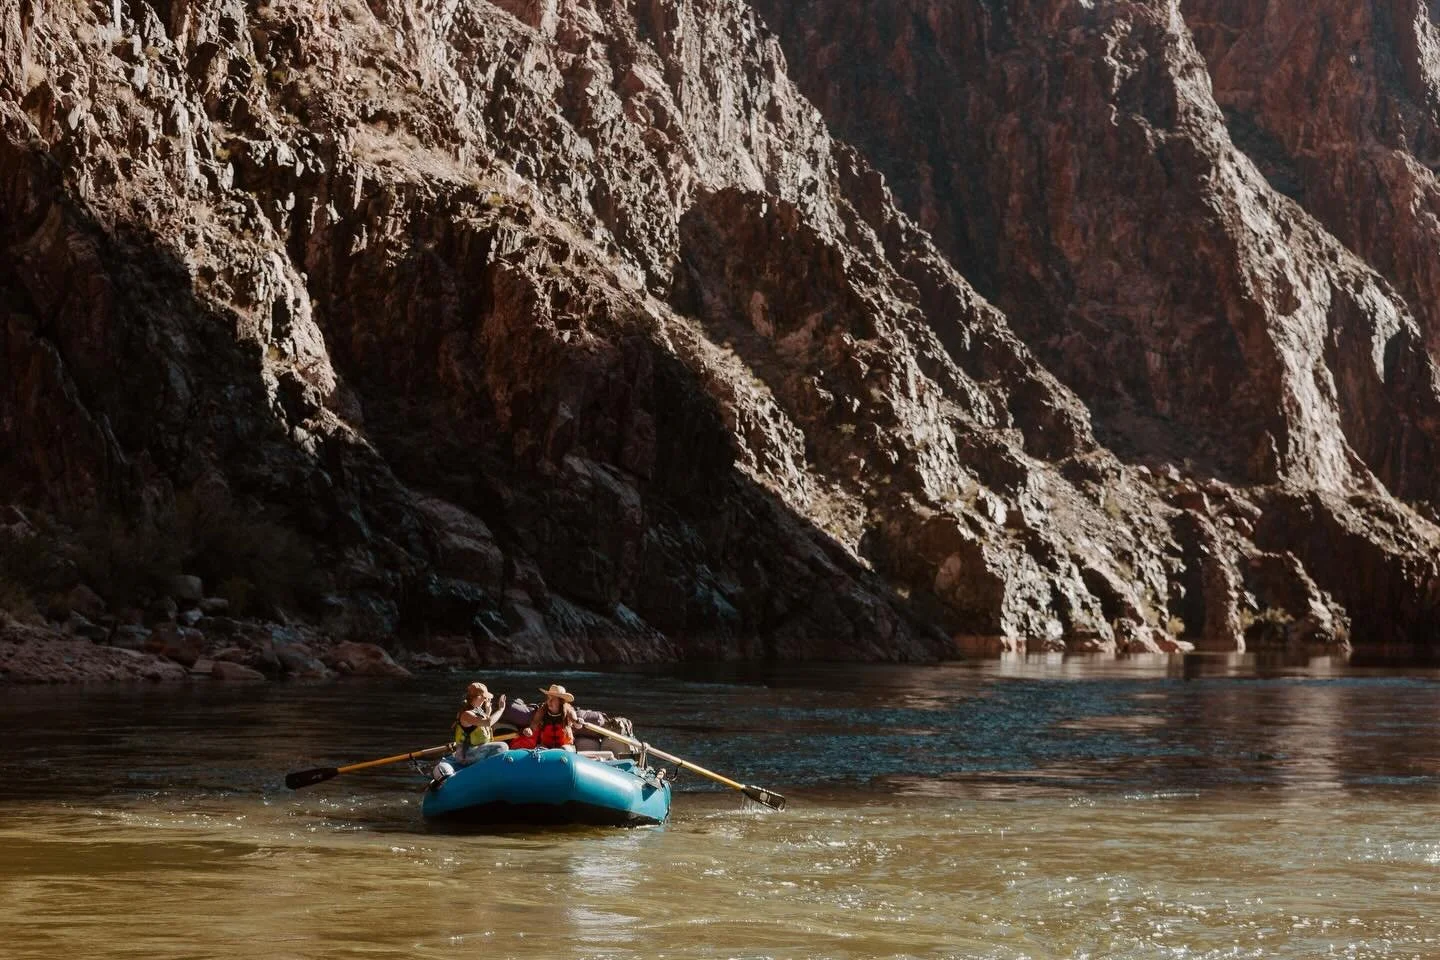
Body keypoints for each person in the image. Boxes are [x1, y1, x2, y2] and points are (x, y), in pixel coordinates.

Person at [430, 681, 509, 786]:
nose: (486, 700)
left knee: (500, 747)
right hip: (467, 754)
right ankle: (486, 776)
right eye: (484, 697)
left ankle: (487, 774)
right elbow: (488, 722)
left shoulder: (477, 710)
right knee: (502, 746)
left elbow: (480, 726)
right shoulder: (466, 714)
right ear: (477, 697)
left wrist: (487, 711)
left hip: (475, 751)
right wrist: (501, 709)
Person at [523, 683, 580, 751]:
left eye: (553, 699)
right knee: (540, 749)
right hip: (547, 746)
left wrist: (579, 722)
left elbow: (577, 725)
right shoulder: (542, 710)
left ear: (560, 701)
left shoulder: (569, 710)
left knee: (564, 749)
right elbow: (533, 725)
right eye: (548, 698)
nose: (549, 701)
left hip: (566, 746)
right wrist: (529, 730)